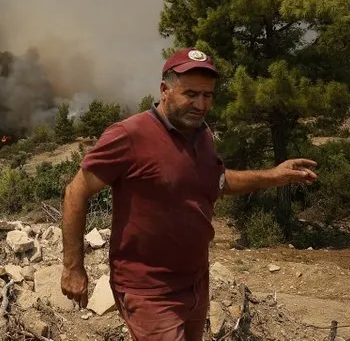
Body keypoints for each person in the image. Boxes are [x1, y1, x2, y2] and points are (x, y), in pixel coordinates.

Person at [60, 47, 317, 340]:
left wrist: (274, 176)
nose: (200, 104)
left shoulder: (202, 135)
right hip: (149, 289)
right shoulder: (129, 135)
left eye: (207, 95)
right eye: (191, 94)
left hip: (196, 282)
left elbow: (218, 181)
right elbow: (76, 192)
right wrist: (73, 267)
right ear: (164, 90)